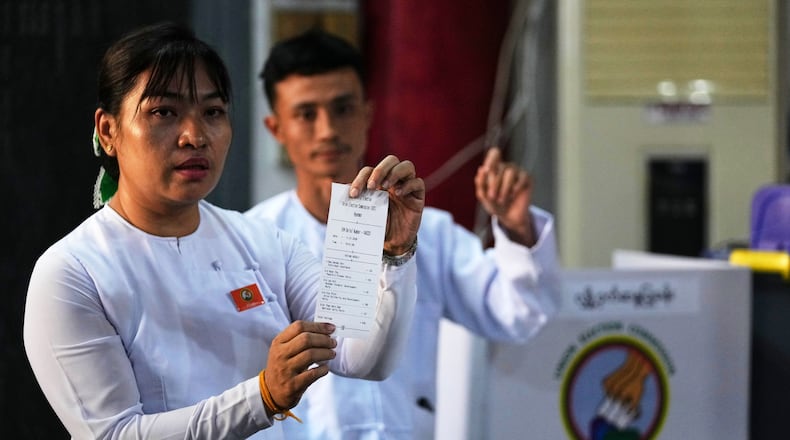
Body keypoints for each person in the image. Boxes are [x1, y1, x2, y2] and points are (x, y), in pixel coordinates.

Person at [23, 22, 425, 440]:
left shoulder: (266, 243)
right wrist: (262, 397)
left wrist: (396, 253)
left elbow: (361, 357)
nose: (195, 136)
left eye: (213, 112)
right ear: (108, 131)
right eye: (164, 112)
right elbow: (114, 434)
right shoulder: (72, 273)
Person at [246, 28, 559, 439]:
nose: (327, 130)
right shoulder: (254, 242)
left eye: (343, 108)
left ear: (367, 114)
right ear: (276, 128)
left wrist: (517, 228)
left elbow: (519, 314)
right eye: (306, 114)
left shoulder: (428, 232)